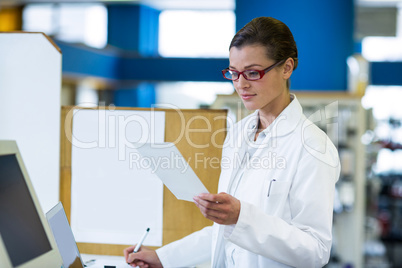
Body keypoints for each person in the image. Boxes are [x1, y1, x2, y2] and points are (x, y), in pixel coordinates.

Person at [124, 16, 340, 268]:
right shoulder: (238, 135)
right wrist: (165, 257)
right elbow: (223, 232)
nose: (241, 84)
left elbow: (315, 250)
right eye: (234, 73)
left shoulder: (313, 147)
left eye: (252, 72)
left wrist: (242, 218)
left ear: (286, 68)